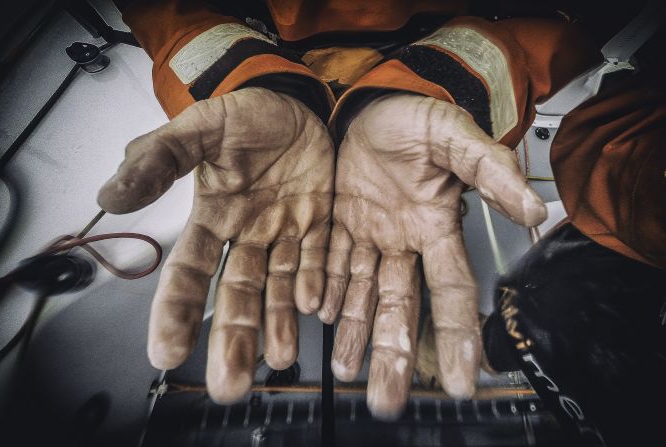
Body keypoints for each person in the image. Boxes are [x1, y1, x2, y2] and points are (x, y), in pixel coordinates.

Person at [99, 0, 665, 440]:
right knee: (382, 237)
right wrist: (256, 83)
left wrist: (437, 88)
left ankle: (415, 308)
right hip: (316, 99)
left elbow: (559, 30)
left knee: (402, 233)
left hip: (424, 116)